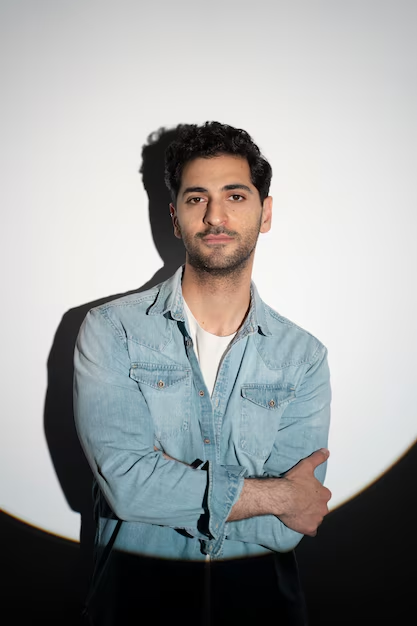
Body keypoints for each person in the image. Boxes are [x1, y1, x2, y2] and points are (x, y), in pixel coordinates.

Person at [73, 121, 332, 626]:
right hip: (134, 607)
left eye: (235, 195)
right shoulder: (112, 330)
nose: (216, 215)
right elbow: (127, 487)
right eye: (197, 199)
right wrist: (275, 495)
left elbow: (290, 529)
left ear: (266, 212)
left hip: (265, 610)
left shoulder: (303, 356)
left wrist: (171, 488)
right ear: (175, 217)